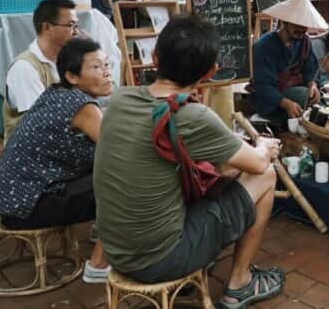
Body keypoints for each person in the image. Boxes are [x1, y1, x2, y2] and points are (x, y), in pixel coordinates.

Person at [95, 15, 284, 306]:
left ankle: (200, 264)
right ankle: (240, 283)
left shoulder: (121, 100)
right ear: (210, 72)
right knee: (266, 175)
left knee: (222, 175)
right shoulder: (190, 115)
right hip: (158, 260)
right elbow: (257, 165)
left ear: (155, 57)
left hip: (116, 251)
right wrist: (263, 146)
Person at [0, 37, 112, 283]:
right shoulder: (81, 105)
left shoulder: (57, 94)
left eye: (107, 65)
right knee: (126, 179)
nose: (107, 73)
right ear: (72, 76)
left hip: (11, 201)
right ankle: (99, 264)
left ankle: (106, 233)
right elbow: (119, 151)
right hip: (30, 206)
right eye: (97, 67)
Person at [2, 0, 78, 141]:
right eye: (71, 25)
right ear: (47, 28)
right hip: (31, 155)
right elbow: (41, 123)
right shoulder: (25, 68)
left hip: (60, 141)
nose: (76, 32)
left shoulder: (67, 60)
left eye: (77, 25)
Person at [253, 0, 323, 128]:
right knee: (303, 96)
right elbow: (262, 85)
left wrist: (312, 85)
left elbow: (311, 70)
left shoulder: (304, 41)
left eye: (304, 25)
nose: (301, 29)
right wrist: (286, 103)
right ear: (285, 22)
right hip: (269, 97)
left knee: (315, 97)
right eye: (296, 24)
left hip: (293, 89)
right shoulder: (264, 46)